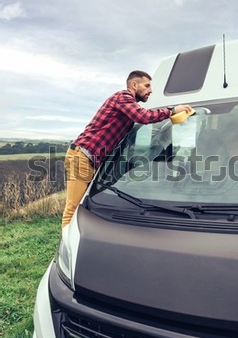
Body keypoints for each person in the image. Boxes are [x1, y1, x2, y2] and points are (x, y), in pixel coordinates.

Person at [62, 70, 192, 227]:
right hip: (82, 155)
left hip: (91, 158)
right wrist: (172, 111)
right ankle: (67, 246)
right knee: (73, 208)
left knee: (85, 205)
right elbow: (144, 117)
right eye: (147, 85)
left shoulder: (127, 105)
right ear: (134, 85)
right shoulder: (122, 97)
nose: (150, 90)